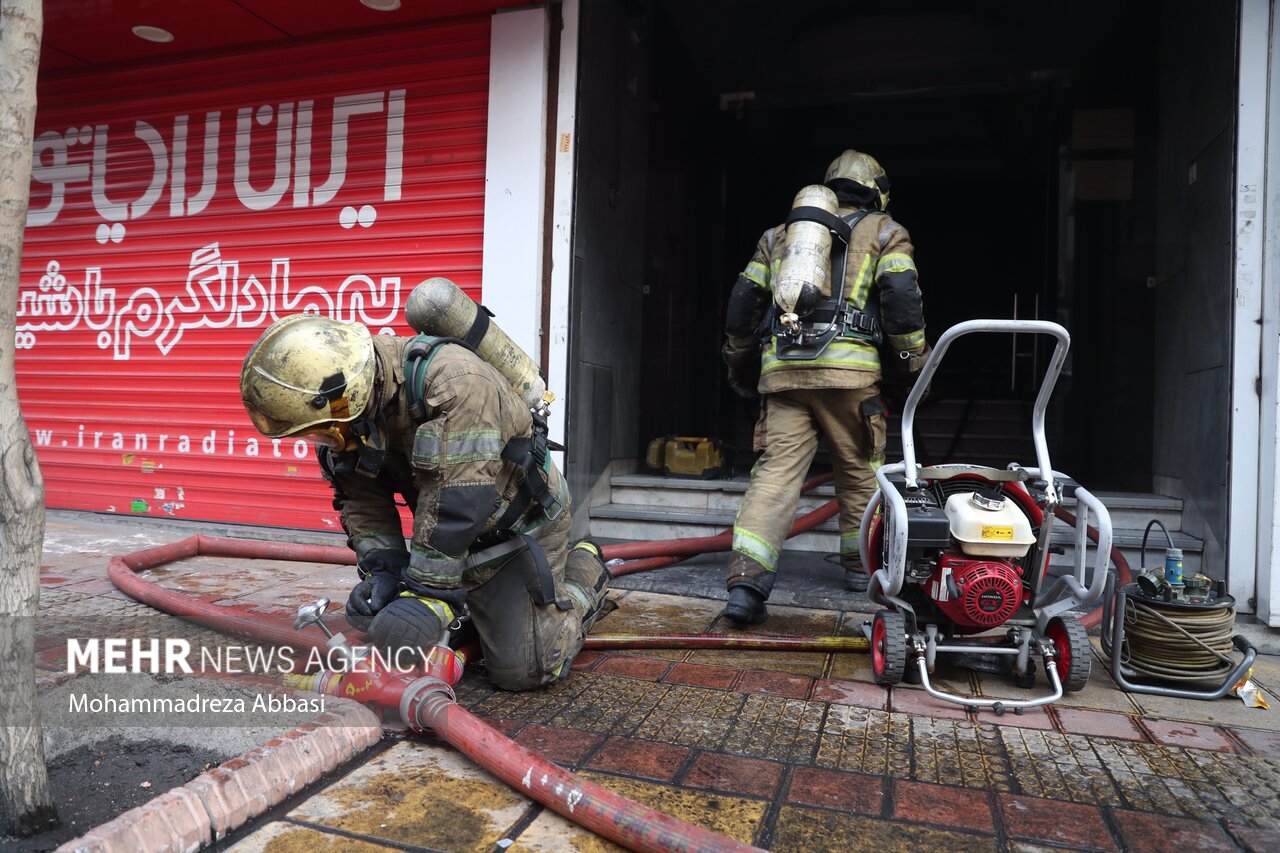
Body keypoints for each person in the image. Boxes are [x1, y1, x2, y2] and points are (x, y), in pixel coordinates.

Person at [240, 313, 613, 690]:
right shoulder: (350, 424)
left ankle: (585, 565)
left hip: (520, 530)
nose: (322, 442)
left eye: (320, 432)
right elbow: (363, 504)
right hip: (451, 538)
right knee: (389, 627)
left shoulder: (456, 383)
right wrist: (383, 571)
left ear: (342, 398)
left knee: (523, 671)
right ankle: (465, 601)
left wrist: (428, 592)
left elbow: (461, 498)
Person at [720, 149, 929, 626]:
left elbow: (742, 306)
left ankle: (746, 586)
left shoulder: (780, 236)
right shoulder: (885, 231)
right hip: (850, 377)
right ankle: (860, 570)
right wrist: (909, 362)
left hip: (784, 375)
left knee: (774, 476)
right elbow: (901, 298)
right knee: (859, 470)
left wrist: (741, 363)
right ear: (877, 192)